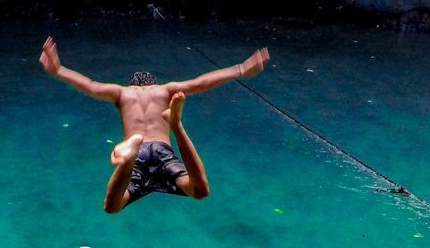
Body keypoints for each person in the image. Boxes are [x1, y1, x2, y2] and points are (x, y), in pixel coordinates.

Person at [39, 36, 270, 213]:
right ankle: (175, 124)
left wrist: (59, 70)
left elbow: (90, 85)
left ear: (132, 84)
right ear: (152, 83)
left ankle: (127, 159)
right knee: (199, 191)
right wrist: (240, 69)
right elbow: (200, 83)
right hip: (162, 151)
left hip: (138, 153)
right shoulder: (165, 90)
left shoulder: (122, 93)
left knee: (112, 206)